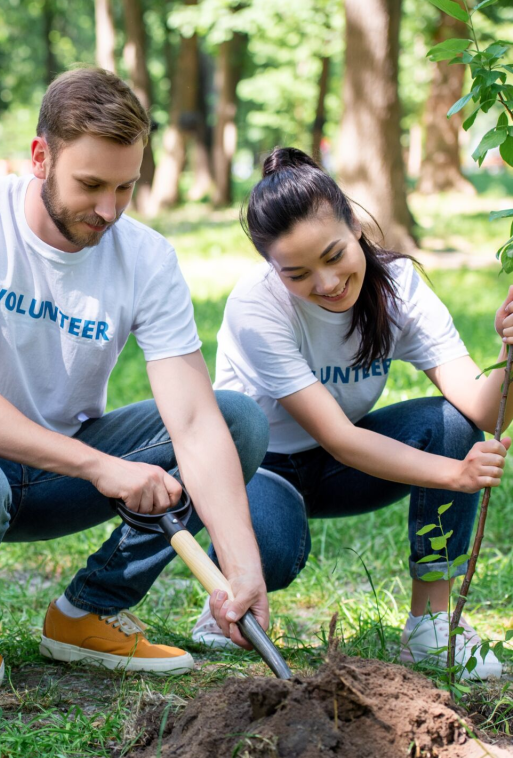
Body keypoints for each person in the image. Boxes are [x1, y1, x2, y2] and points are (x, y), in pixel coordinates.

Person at [0, 67, 287, 690]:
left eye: (126, 188)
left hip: (51, 477)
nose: (108, 210)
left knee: (236, 420)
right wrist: (101, 468)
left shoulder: (146, 257)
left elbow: (197, 423)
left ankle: (88, 612)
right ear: (41, 157)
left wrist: (241, 567)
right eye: (90, 184)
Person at [191, 147, 510, 679]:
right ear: (273, 269)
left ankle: (430, 626)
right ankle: (230, 594)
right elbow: (339, 436)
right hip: (259, 468)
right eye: (298, 273)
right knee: (274, 547)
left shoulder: (400, 287)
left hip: (341, 470)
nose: (327, 283)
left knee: (453, 423)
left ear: (357, 227)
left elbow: (478, 402)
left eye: (335, 255)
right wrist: (457, 474)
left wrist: (509, 352)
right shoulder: (257, 305)